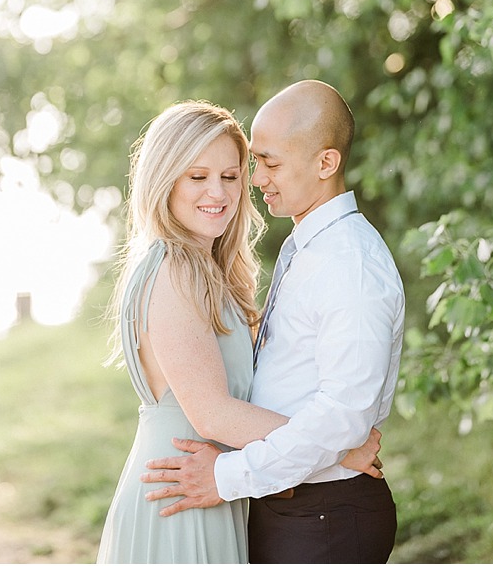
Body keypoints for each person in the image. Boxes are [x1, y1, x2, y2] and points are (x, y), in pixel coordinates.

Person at [96, 99, 382, 565]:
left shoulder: (209, 271)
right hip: (178, 495)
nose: (219, 192)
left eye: (230, 176)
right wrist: (339, 447)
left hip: (211, 488)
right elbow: (213, 414)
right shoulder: (173, 269)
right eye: (198, 176)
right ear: (164, 178)